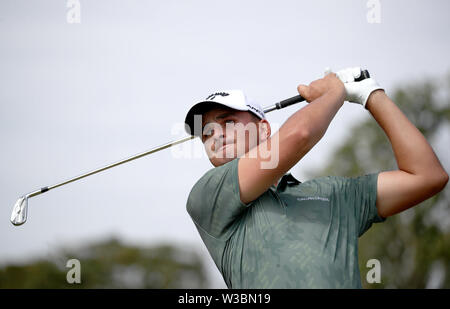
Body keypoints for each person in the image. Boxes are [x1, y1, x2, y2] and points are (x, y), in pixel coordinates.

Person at [183, 67, 449, 288]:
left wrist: (371, 94)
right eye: (206, 132)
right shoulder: (207, 195)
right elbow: (299, 136)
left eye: (227, 122)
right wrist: (335, 93)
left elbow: (427, 176)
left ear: (264, 129)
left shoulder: (335, 193)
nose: (215, 136)